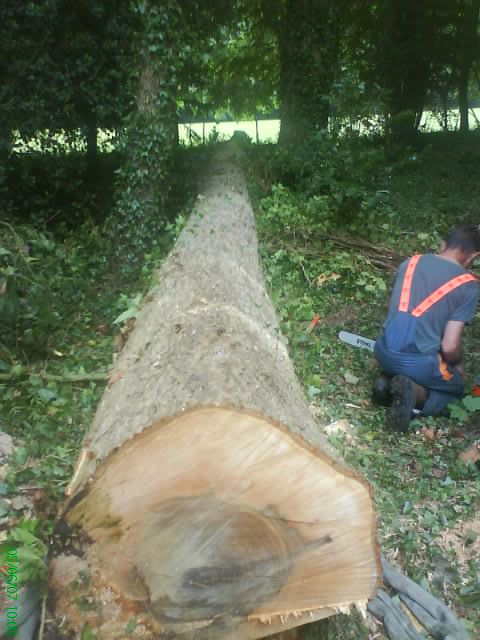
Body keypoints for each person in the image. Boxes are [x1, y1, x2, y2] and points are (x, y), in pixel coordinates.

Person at [373, 225, 480, 432]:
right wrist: (457, 367)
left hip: (383, 351)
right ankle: (416, 394)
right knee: (456, 390)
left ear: (442, 245)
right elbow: (449, 346)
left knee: (405, 363)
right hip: (418, 363)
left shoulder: (409, 263)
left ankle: (386, 383)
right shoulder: (468, 285)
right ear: (473, 257)